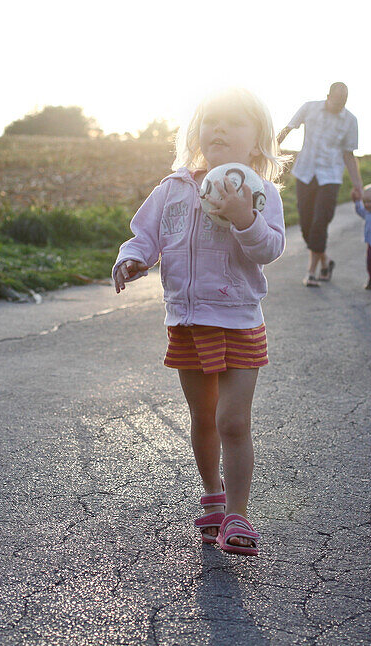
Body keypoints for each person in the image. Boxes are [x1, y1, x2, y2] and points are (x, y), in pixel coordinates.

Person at [113, 88, 287, 557]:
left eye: (234, 122)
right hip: (187, 321)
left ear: (256, 142)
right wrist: (132, 259)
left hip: (237, 320)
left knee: (232, 420)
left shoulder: (259, 191)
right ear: (197, 132)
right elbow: (145, 235)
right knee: (203, 418)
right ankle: (211, 495)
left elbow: (269, 249)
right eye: (211, 120)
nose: (219, 129)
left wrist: (244, 218)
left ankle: (237, 513)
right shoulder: (172, 189)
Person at [277, 82, 364, 287]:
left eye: (343, 101)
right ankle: (326, 261)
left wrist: (358, 185)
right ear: (328, 96)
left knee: (320, 222)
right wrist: (270, 148)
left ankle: (312, 272)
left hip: (331, 176)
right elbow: (288, 128)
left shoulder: (351, 120)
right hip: (305, 172)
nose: (339, 104)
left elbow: (349, 155)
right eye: (337, 100)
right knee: (306, 224)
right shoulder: (309, 108)